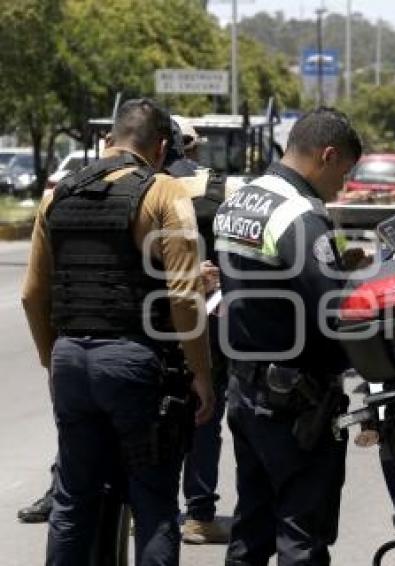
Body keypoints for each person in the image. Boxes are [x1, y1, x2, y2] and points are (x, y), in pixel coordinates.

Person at [21, 98, 214, 565]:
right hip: (134, 363)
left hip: (70, 360)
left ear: (109, 139)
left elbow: (32, 295)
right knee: (154, 503)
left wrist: (53, 360)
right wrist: (202, 375)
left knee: (72, 500)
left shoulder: (57, 193)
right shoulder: (164, 192)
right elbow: (185, 295)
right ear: (162, 146)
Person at [214, 107, 362, 565]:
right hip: (294, 403)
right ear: (327, 155)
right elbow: (337, 311)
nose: (343, 185)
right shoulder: (299, 216)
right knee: (301, 538)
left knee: (251, 530)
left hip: (246, 390)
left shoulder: (241, 199)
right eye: (343, 172)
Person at [164, 117, 231, 544]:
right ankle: (199, 516)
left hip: (156, 319)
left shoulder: (145, 189)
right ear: (190, 146)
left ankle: (151, 507)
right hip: (208, 318)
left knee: (160, 415)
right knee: (206, 415)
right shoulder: (219, 189)